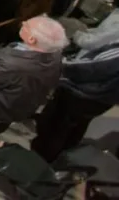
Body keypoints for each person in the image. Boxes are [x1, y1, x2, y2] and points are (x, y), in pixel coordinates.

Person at [0, 17, 66, 162]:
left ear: (32, 39)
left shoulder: (10, 60)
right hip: (16, 108)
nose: (23, 23)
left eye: (27, 26)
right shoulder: (55, 56)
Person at [31, 14, 119, 163]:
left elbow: (92, 69)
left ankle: (39, 165)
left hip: (83, 93)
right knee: (74, 128)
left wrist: (63, 64)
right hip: (103, 98)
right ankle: (59, 162)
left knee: (54, 128)